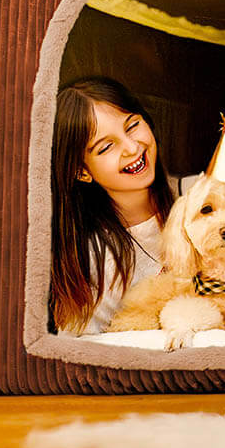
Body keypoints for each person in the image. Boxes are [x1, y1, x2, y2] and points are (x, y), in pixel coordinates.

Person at [50, 77, 176, 335]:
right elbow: (79, 353)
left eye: (132, 126)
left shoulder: (201, 197)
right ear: (81, 171)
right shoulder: (94, 259)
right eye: (107, 146)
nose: (132, 148)